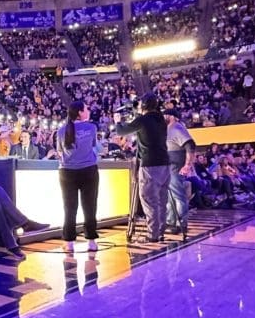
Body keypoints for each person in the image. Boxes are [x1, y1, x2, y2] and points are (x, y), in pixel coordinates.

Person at [113, 93, 170, 243]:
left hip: (150, 164)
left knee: (149, 200)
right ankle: (160, 232)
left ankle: (153, 235)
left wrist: (117, 121)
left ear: (144, 105)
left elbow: (121, 132)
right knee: (161, 200)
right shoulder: (161, 119)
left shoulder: (142, 120)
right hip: (165, 163)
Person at [56, 100, 101, 252]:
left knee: (69, 207)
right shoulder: (92, 128)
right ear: (80, 112)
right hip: (88, 170)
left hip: (67, 172)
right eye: (87, 108)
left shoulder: (61, 131)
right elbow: (95, 147)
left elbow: (60, 152)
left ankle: (69, 243)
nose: (89, 110)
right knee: (90, 206)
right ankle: (92, 242)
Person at [164, 109, 196, 235]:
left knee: (178, 196)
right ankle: (171, 222)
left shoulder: (177, 128)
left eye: (165, 114)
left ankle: (181, 223)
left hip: (175, 166)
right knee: (170, 196)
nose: (163, 117)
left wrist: (187, 164)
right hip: (170, 165)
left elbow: (190, 145)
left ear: (172, 116)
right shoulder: (169, 129)